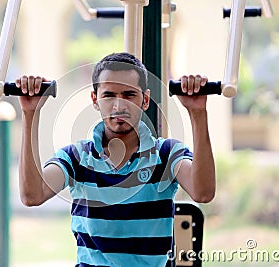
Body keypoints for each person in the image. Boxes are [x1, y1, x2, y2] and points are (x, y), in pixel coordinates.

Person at [16, 52, 215, 267]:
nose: (119, 106)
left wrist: (197, 113)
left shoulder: (166, 154)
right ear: (95, 99)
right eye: (109, 95)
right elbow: (31, 195)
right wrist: (30, 114)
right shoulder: (76, 157)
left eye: (129, 95)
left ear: (145, 100)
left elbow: (203, 192)